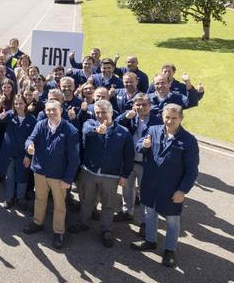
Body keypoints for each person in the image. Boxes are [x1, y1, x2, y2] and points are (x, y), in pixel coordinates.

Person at [131, 104, 199, 268]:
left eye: (174, 118)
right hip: (150, 184)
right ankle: (150, 240)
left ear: (181, 118)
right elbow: (140, 144)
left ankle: (170, 250)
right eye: (167, 117)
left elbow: (192, 170)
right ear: (162, 116)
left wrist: (182, 190)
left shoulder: (189, 140)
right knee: (149, 213)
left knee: (172, 221)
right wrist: (143, 146)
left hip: (171, 189)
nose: (169, 121)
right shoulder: (153, 130)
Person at [67, 100, 134, 247]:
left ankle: (106, 230)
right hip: (89, 172)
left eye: (104, 112)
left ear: (111, 113)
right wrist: (97, 131)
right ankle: (83, 222)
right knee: (86, 201)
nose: (100, 115)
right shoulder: (89, 124)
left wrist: (124, 175)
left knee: (108, 205)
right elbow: (85, 132)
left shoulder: (124, 132)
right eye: (97, 112)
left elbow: (129, 156)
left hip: (111, 175)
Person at [23, 99, 81, 249]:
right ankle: (37, 222)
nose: (51, 113)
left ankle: (59, 232)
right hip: (40, 171)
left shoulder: (70, 130)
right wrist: (29, 145)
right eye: (48, 110)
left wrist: (68, 179)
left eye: (54, 110)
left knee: (59, 205)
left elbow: (74, 159)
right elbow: (30, 138)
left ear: (60, 110)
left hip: (59, 175)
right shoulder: (41, 124)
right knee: (40, 199)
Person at [115, 94, 162, 223]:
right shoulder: (130, 117)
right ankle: (127, 212)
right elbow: (114, 125)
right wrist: (124, 117)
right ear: (133, 106)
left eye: (144, 104)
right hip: (129, 161)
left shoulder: (157, 121)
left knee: (145, 193)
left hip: (146, 163)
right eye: (138, 104)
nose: (141, 107)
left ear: (150, 106)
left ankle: (144, 222)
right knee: (127, 189)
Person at [0, 95, 37, 209]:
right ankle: (9, 198)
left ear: (25, 104)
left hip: (23, 155)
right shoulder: (9, 115)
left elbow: (34, 139)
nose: (18, 106)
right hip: (9, 153)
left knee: (22, 177)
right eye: (16, 104)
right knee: (10, 176)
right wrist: (0, 116)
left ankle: (20, 198)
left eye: (21, 103)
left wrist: (29, 155)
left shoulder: (32, 119)